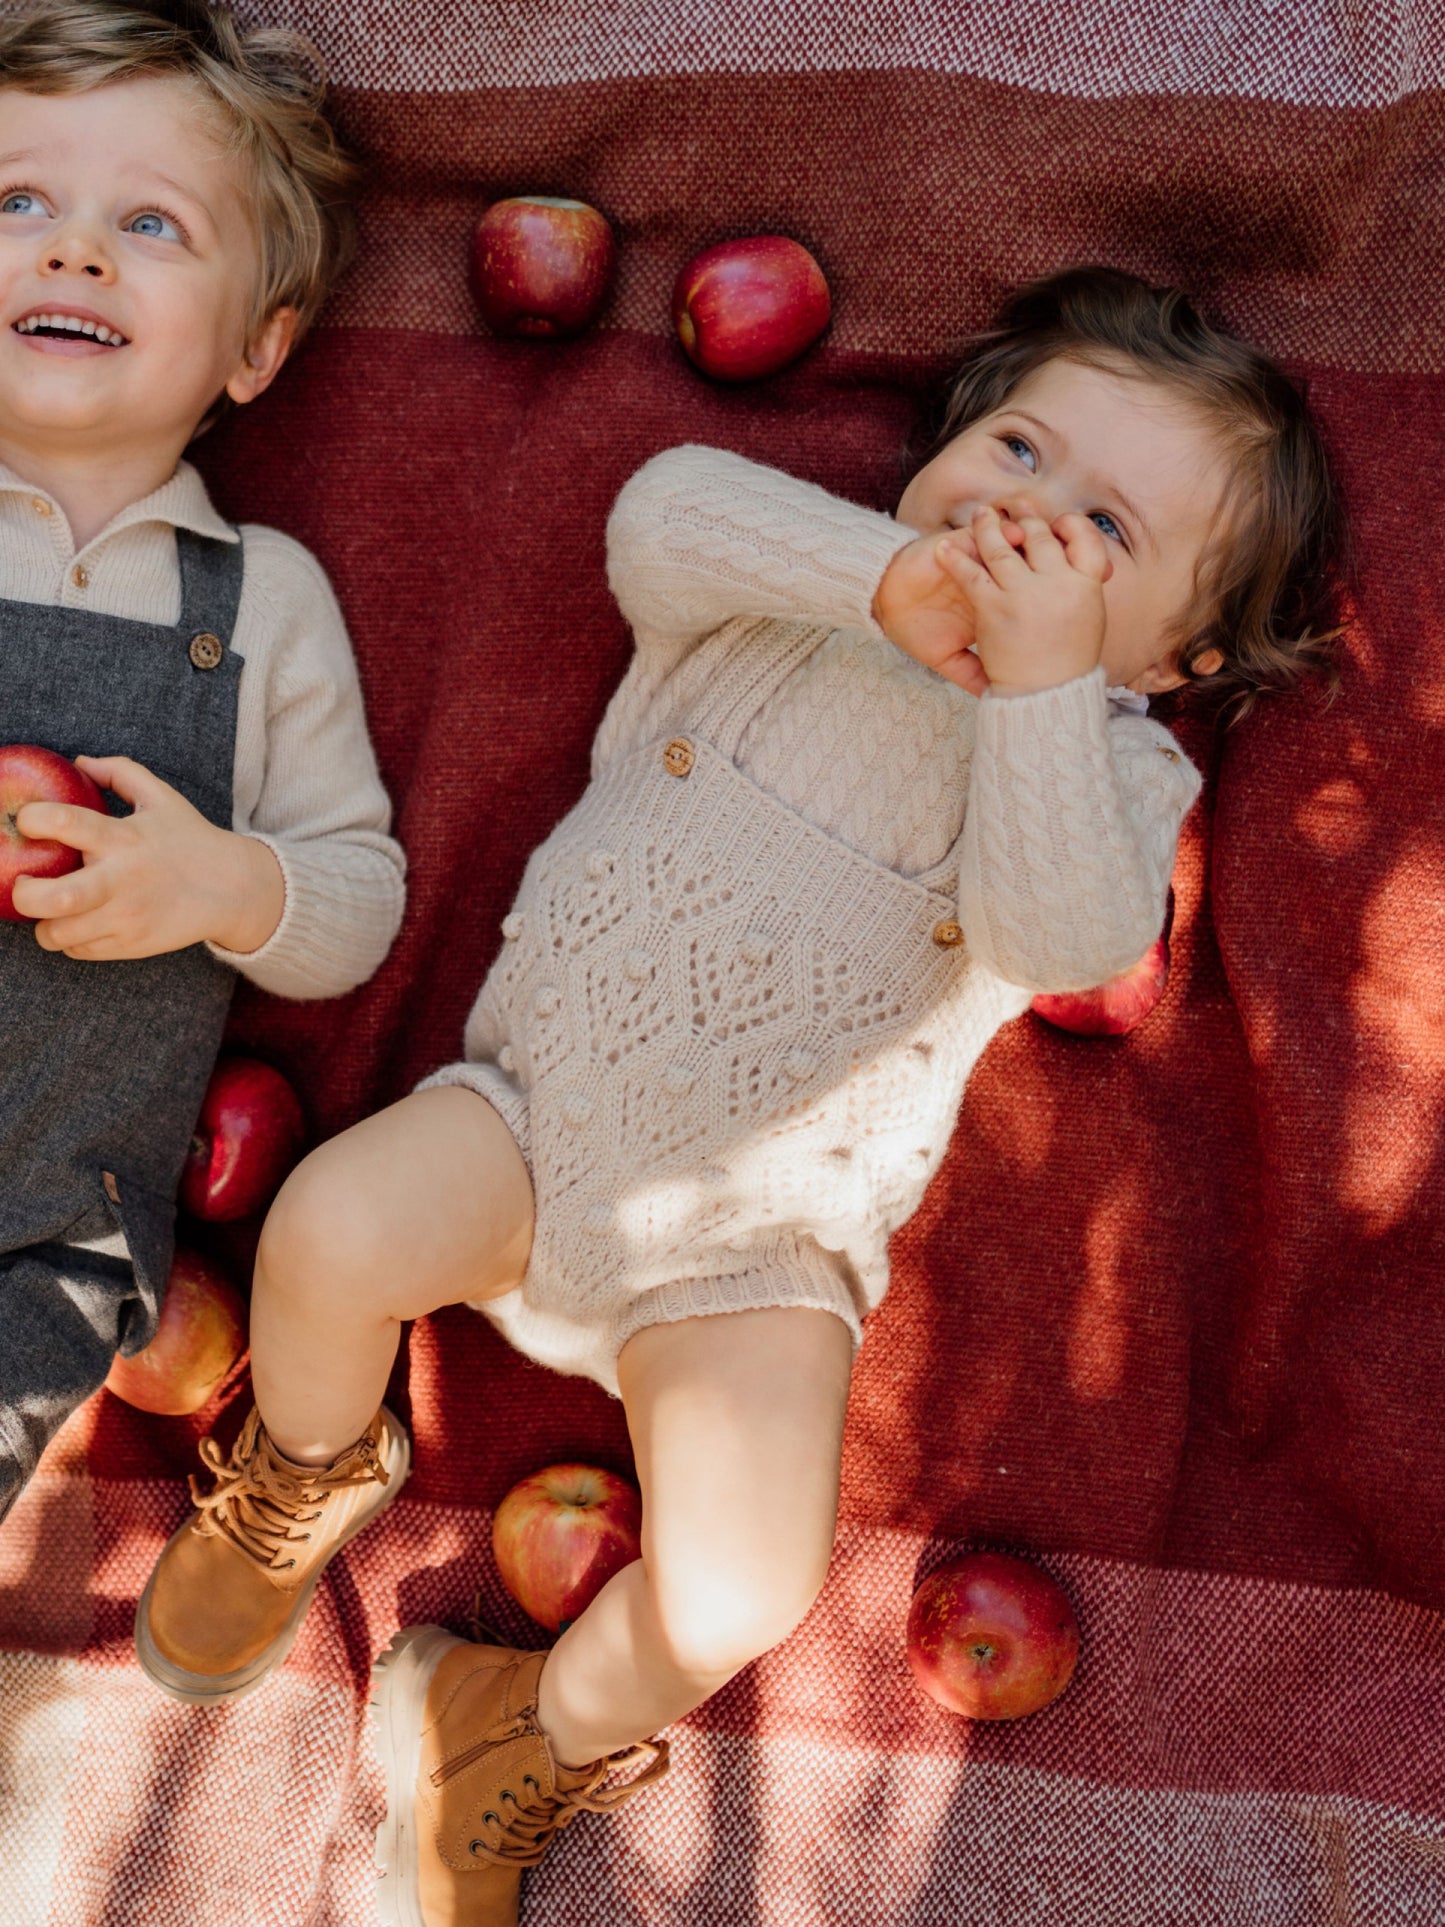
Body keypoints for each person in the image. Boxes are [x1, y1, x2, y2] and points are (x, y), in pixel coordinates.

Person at [137, 265, 1339, 1924]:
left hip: (755, 1251)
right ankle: (308, 1464)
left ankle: (512, 1728)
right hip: (533, 1122)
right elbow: (660, 516)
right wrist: (892, 580)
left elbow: (1057, 930)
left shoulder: (1115, 767)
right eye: (1011, 449)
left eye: (1102, 532)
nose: (1024, 517)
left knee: (741, 1590)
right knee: (326, 1230)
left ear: (1183, 653)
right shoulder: (794, 581)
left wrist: (1050, 685)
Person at [0, 0, 405, 1524]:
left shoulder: (261, 601)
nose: (74, 250)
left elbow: (357, 899)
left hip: (46, 1236)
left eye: (150, 222)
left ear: (256, 346)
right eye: (18, 201)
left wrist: (228, 883)